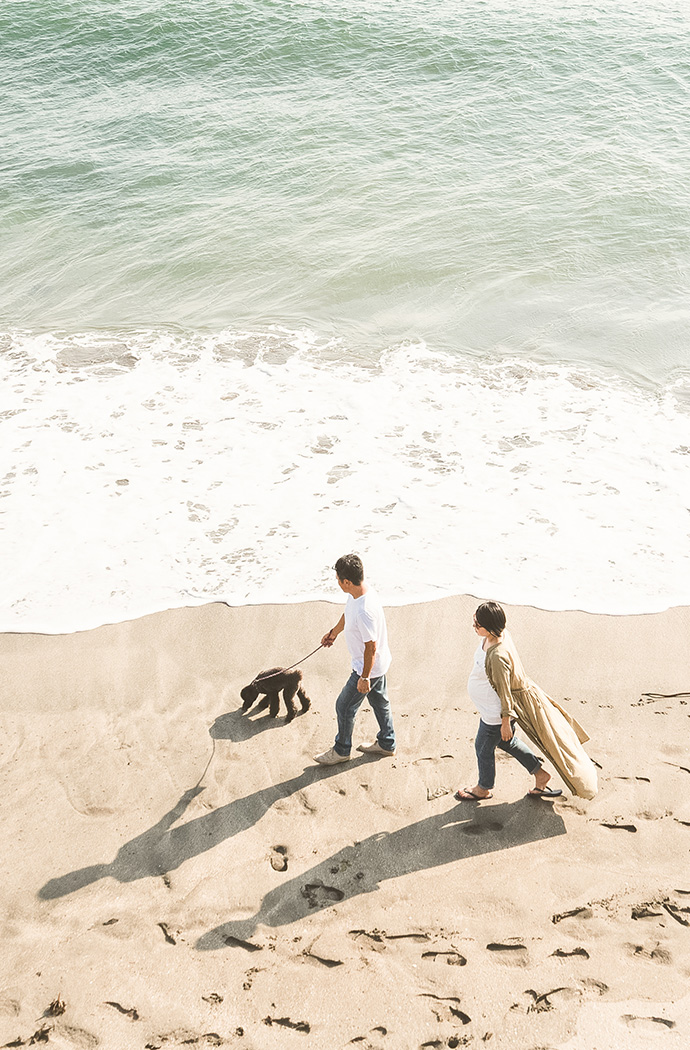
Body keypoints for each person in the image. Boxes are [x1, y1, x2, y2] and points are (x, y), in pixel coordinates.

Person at [456, 601, 598, 801]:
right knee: (508, 743)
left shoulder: (497, 656)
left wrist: (505, 722)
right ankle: (541, 775)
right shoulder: (499, 633)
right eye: (474, 622)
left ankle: (483, 787)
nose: (474, 627)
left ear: (490, 626)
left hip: (495, 713)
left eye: (477, 625)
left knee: (482, 747)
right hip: (492, 709)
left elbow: (505, 693)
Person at [314, 554, 396, 765]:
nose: (337, 582)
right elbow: (347, 614)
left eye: (338, 579)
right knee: (380, 702)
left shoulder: (364, 611)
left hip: (368, 668)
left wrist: (365, 677)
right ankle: (387, 743)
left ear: (347, 582)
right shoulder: (360, 593)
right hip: (376, 665)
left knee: (344, 706)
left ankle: (341, 750)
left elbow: (371, 646)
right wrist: (334, 632)